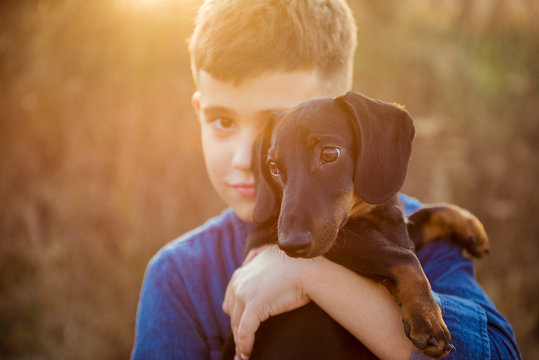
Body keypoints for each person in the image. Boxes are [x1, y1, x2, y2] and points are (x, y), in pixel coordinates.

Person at [131, 1, 521, 359]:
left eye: (280, 120)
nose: (245, 158)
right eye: (223, 121)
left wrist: (309, 273)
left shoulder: (431, 244)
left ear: (340, 116)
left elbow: (501, 353)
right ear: (198, 111)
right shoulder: (178, 277)